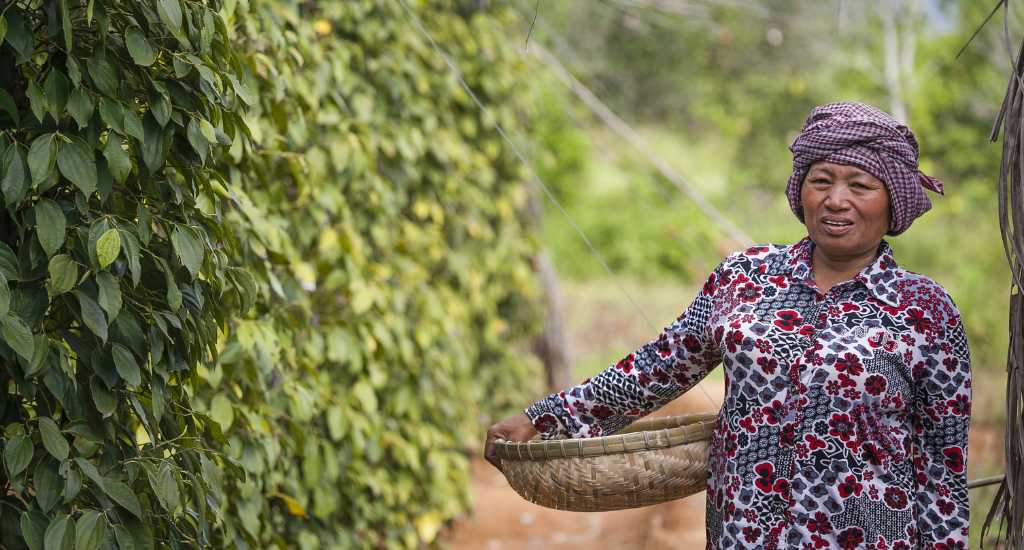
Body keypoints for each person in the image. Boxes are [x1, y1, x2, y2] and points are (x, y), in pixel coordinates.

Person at [484, 102, 971, 549]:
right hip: (744, 535)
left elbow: (942, 469)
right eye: (821, 180)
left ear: (894, 201)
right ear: (800, 189)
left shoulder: (925, 310)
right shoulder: (746, 277)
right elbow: (657, 368)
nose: (836, 200)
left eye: (860, 185)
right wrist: (543, 418)